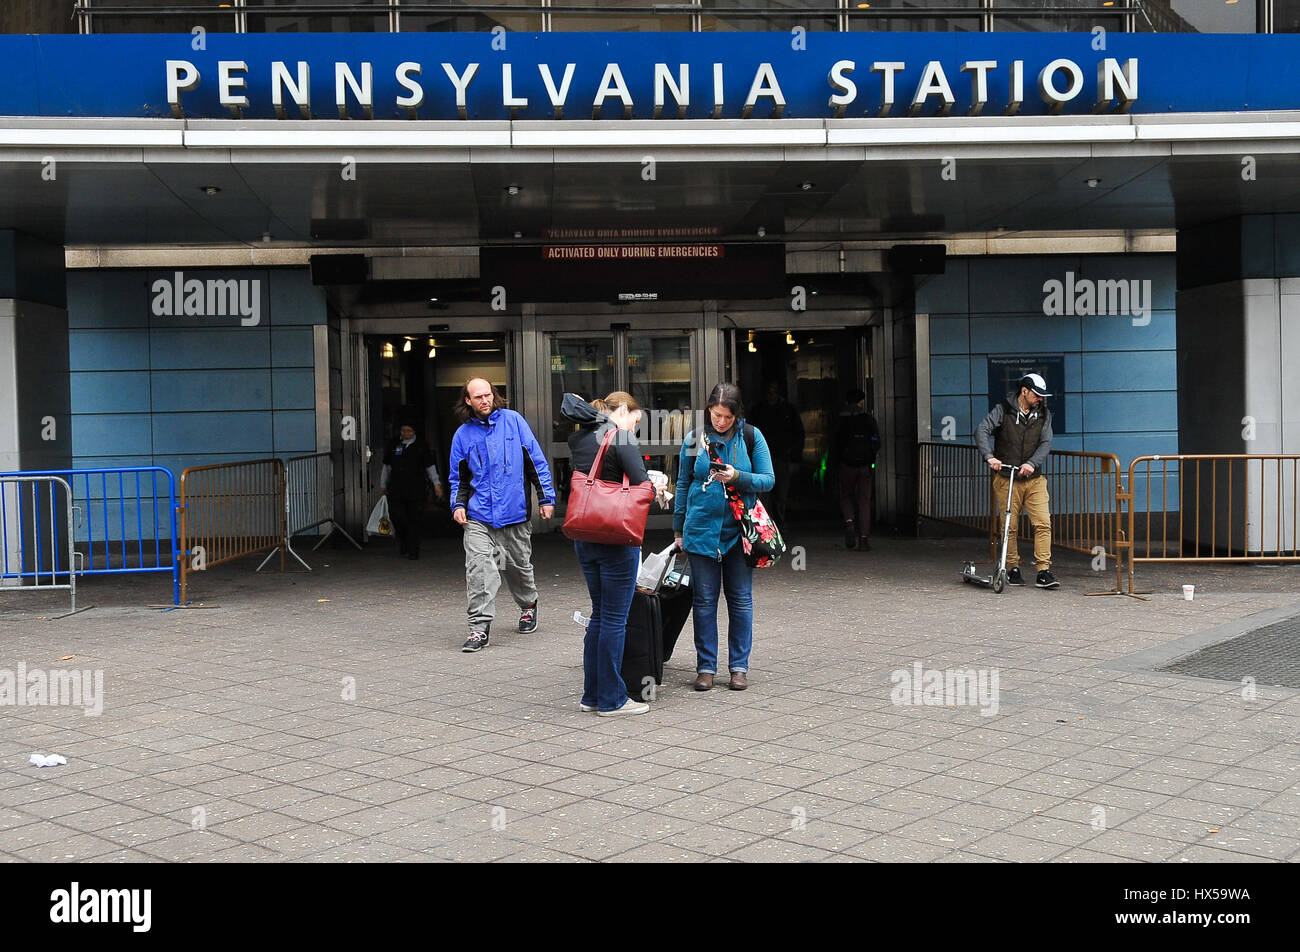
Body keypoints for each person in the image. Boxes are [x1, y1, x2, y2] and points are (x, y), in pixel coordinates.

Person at [673, 383, 775, 692]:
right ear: (708, 411)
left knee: (740, 600)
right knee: (704, 601)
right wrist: (679, 529)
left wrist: (737, 476)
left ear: (737, 414)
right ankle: (706, 667)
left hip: (740, 532)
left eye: (727, 417)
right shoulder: (694, 439)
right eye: (716, 415)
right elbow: (682, 483)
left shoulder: (751, 437)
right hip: (702, 530)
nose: (721, 422)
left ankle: (738, 668)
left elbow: (768, 479)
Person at [562, 391, 654, 716]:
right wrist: (658, 488)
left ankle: (592, 695)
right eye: (635, 420)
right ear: (625, 410)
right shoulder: (621, 438)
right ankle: (613, 699)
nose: (635, 428)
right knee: (615, 618)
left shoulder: (582, 437)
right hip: (616, 538)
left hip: (585, 536)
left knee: (599, 615)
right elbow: (642, 485)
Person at [448, 377, 556, 651]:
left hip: (514, 513)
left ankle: (528, 603)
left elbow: (535, 462)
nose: (484, 400)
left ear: (494, 396)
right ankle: (478, 628)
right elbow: (459, 478)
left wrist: (546, 498)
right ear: (468, 401)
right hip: (479, 516)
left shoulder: (514, 421)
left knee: (517, 567)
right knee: (479, 570)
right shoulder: (462, 435)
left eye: (488, 395)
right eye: (478, 397)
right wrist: (457, 505)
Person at [974, 372, 1059, 589]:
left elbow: (1045, 442)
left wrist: (1031, 463)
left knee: (1043, 523)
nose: (1040, 399)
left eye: (1042, 395)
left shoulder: (1044, 414)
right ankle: (1012, 568)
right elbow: (982, 430)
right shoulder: (1003, 410)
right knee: (1009, 525)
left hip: (1034, 479)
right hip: (1007, 477)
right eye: (1036, 394)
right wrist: (989, 456)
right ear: (1024, 391)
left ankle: (1043, 571)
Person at [745, 381, 804, 531]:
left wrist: (794, 455)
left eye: (774, 392)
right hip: (765, 457)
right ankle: (768, 525)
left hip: (781, 456)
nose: (771, 395)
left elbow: (798, 433)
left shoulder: (785, 410)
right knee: (766, 495)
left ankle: (778, 524)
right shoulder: (760, 410)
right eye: (769, 392)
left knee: (780, 495)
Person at [380, 421, 443, 559]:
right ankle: (403, 541)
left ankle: (413, 550)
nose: (406, 434)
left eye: (409, 431)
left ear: (414, 432)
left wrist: (436, 484)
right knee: (398, 516)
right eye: (403, 431)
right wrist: (383, 484)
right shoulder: (394, 444)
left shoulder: (421, 446)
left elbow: (430, 467)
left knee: (414, 519)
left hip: (416, 489)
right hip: (396, 489)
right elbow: (387, 466)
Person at [831, 388, 880, 551]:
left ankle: (849, 522)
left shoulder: (842, 422)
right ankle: (864, 539)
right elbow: (876, 441)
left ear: (846, 403)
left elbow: (836, 444)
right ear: (861, 402)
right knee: (864, 501)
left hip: (847, 465)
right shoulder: (869, 420)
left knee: (846, 495)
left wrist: (837, 462)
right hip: (865, 466)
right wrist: (871, 457)